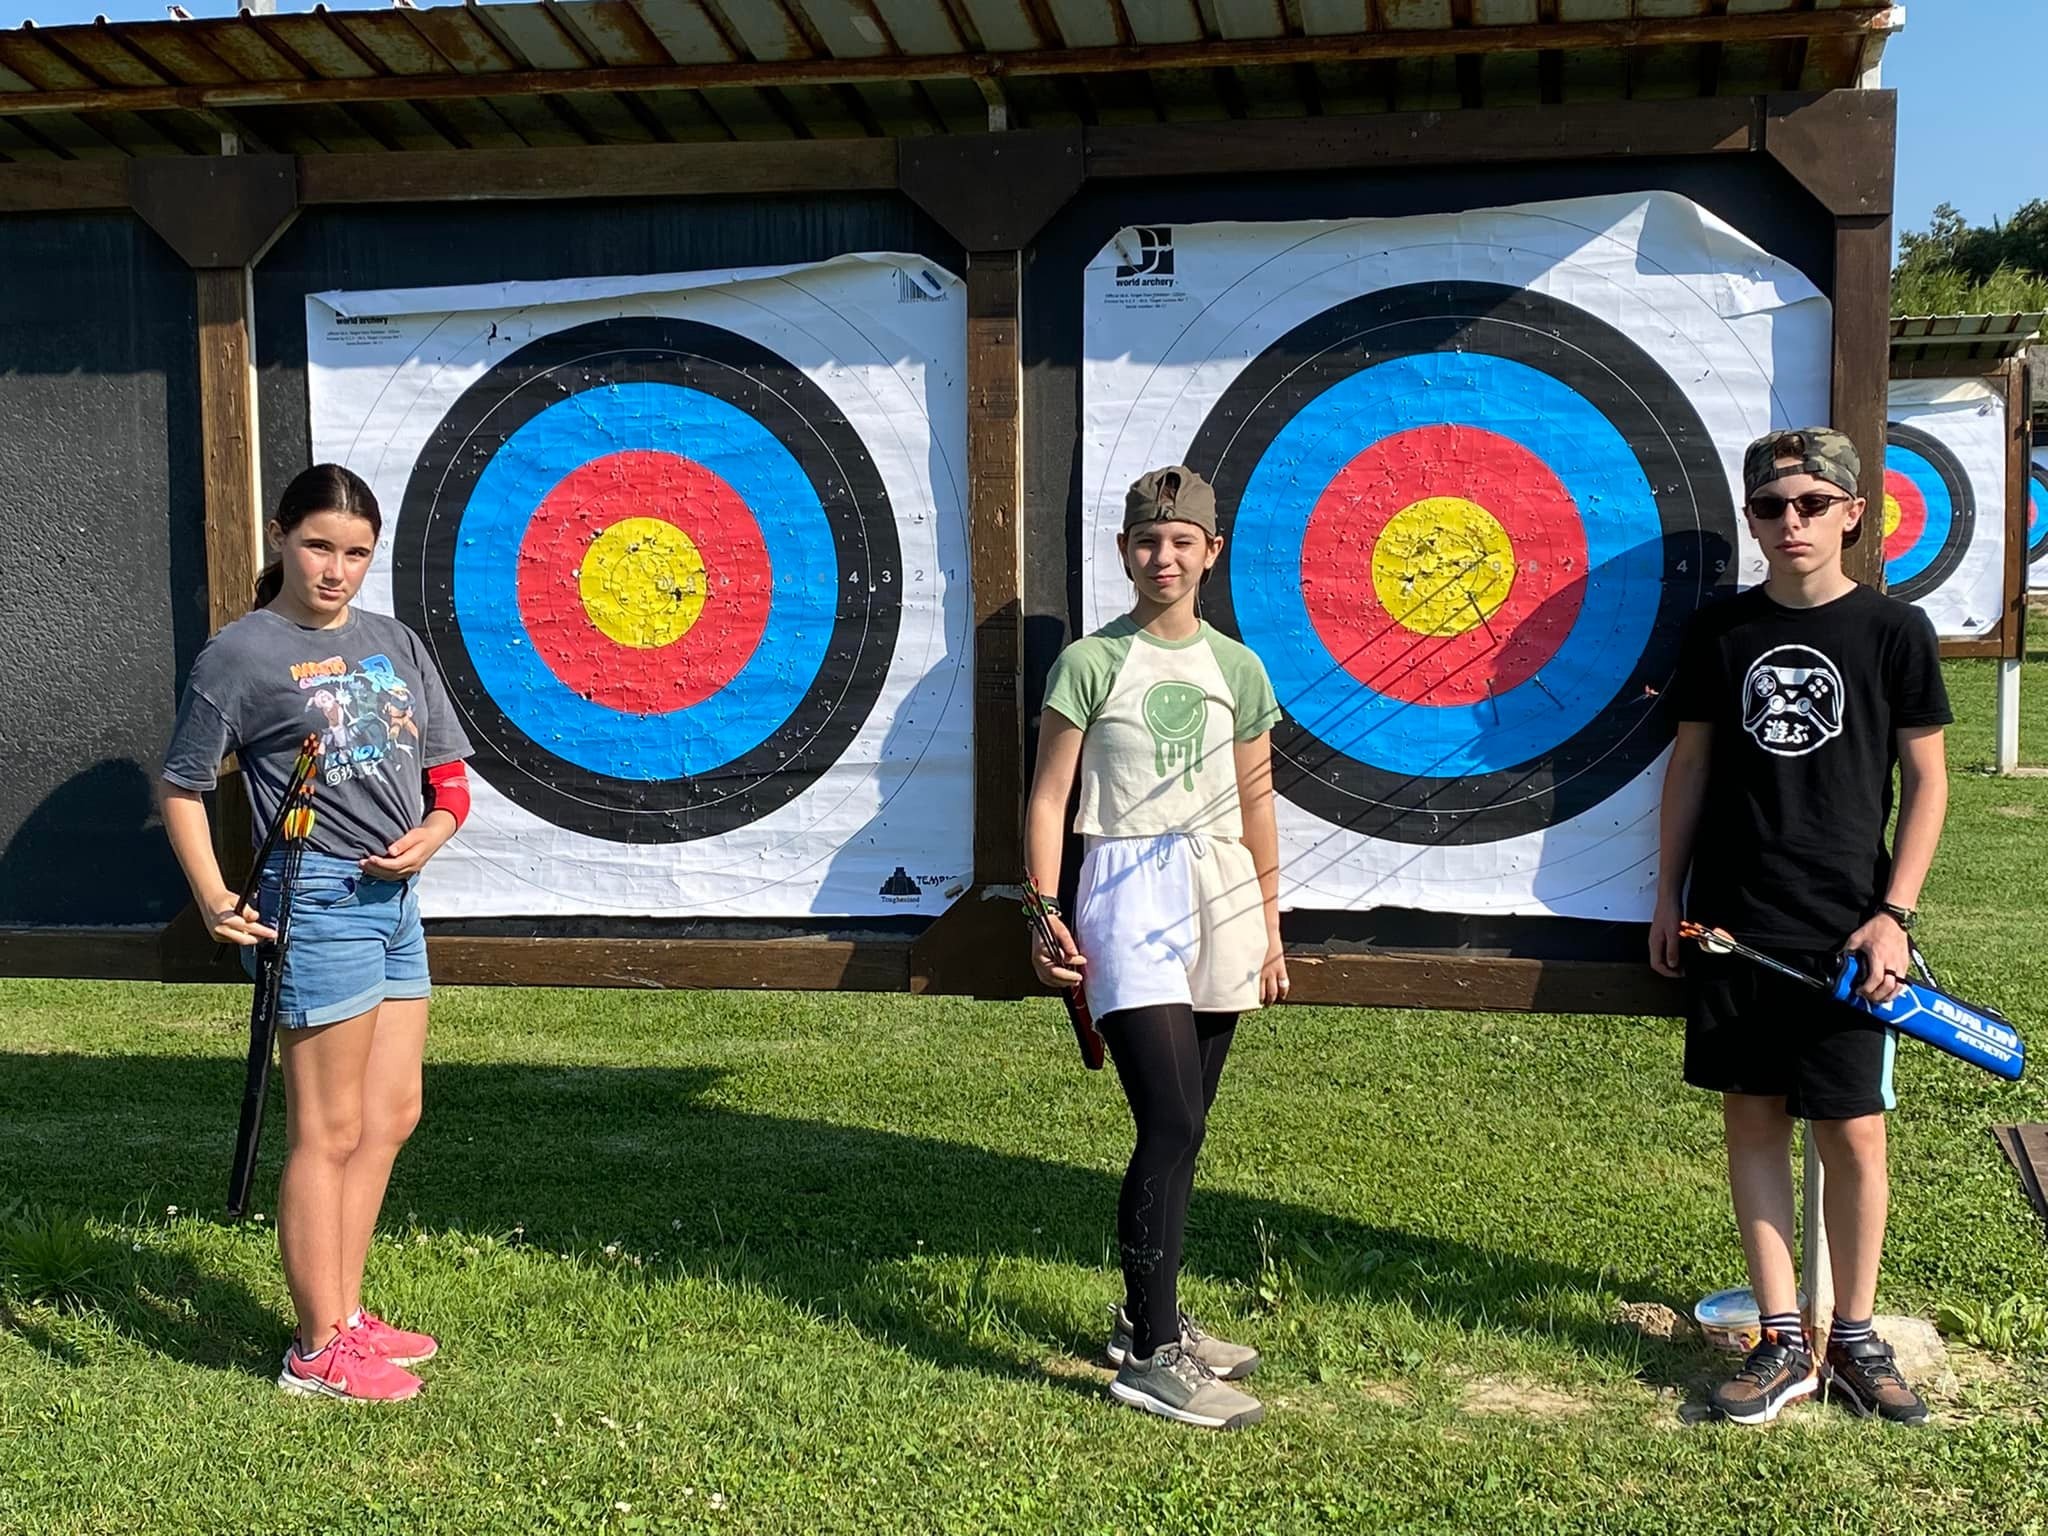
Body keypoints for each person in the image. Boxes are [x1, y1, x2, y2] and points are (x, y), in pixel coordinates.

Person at [1651, 428, 1951, 1427]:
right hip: (1734, 920)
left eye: (1813, 504)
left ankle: (1853, 1339)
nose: (1792, 522)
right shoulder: (1721, 630)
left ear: (1853, 514)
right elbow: (1690, 764)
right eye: (1771, 506)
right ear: (1751, 518)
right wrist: (1667, 894)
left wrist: (1893, 915)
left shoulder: (1893, 630)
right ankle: (1781, 1337)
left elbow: (1927, 781)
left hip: (1847, 929)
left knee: (1853, 1131)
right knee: (1751, 1117)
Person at [160, 464, 475, 1403]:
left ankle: (346, 1310)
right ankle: (313, 1349)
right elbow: (181, 784)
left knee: (391, 1115)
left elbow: (449, 776)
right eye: (318, 546)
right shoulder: (240, 655)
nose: (336, 570)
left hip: (395, 901)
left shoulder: (394, 641)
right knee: (328, 1129)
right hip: (317, 903)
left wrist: (434, 832)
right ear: (281, 537)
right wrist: (214, 898)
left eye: (356, 553)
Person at [1025, 466, 1288, 1431]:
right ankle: (1149, 1358)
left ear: (1211, 552)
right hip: (1126, 889)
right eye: (1146, 542)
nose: (1162, 558)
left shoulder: (1239, 669)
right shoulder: (1091, 662)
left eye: (1181, 542)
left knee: (1190, 1122)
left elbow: (1257, 803)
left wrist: (1270, 924)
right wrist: (1042, 909)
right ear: (1124, 552)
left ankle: (1149, 1314)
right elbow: (1050, 797)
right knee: (1170, 1121)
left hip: (1222, 893)